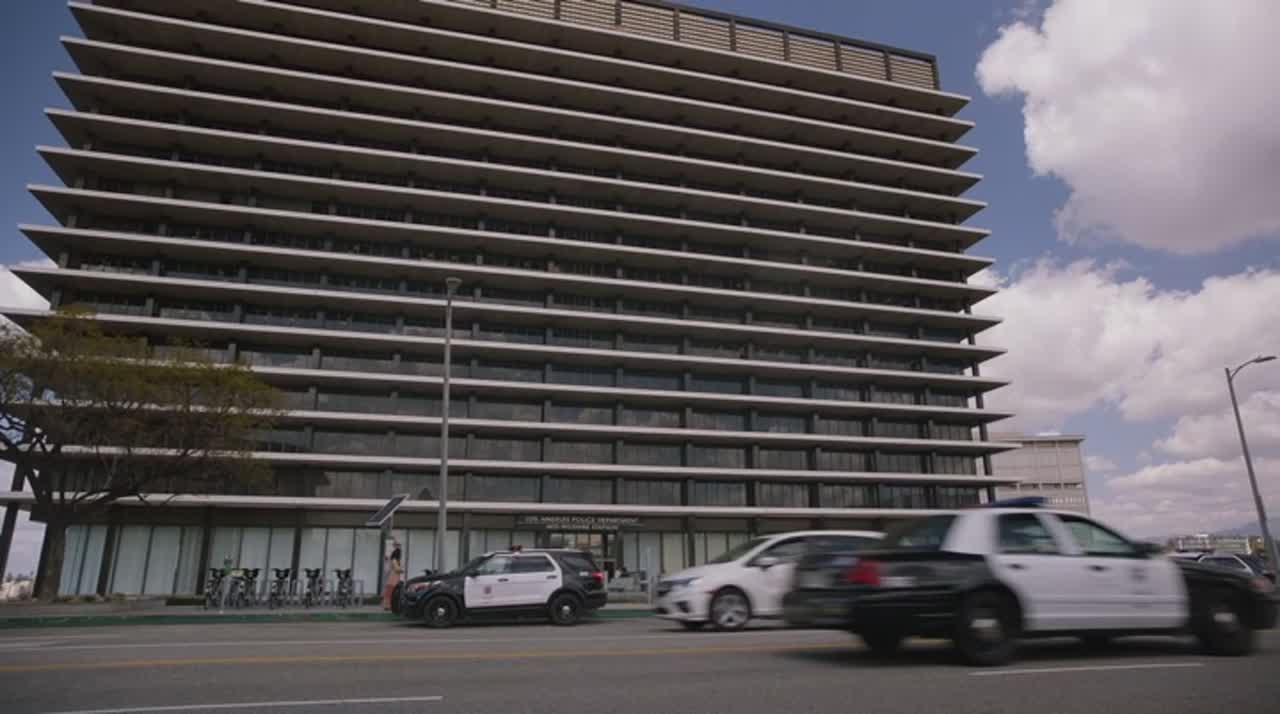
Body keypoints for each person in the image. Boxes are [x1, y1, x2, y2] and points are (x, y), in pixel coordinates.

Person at [382, 542, 403, 611]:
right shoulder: (394, 560)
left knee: (389, 591)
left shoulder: (392, 560)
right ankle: (387, 605)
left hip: (392, 577)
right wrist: (402, 570)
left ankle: (386, 605)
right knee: (391, 591)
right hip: (394, 577)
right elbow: (397, 569)